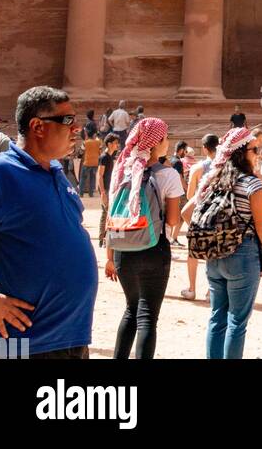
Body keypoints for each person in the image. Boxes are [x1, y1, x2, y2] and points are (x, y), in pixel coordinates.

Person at [0, 86, 97, 358]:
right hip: (21, 344)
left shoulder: (57, 173)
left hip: (71, 338)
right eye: (67, 120)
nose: (76, 129)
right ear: (37, 126)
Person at [194, 127, 262, 359]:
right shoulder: (253, 185)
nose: (257, 154)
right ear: (242, 153)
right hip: (242, 254)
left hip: (214, 254)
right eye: (254, 150)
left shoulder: (212, 182)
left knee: (217, 317)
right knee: (237, 322)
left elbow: (186, 212)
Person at [104, 116, 183, 360]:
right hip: (153, 249)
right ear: (157, 141)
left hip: (122, 251)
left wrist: (109, 258)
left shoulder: (121, 170)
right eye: (166, 138)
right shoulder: (168, 174)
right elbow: (172, 221)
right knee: (148, 316)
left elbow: (112, 216)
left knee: (130, 310)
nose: (168, 142)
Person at [180, 133, 219, 300]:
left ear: (204, 148)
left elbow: (190, 196)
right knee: (214, 254)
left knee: (193, 253)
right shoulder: (225, 166)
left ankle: (192, 288)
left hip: (199, 215)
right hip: (218, 213)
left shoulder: (197, 168)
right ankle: (211, 291)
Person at [96, 133, 120, 248]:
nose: (117, 145)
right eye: (115, 143)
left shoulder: (110, 157)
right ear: (109, 144)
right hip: (105, 188)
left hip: (109, 188)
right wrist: (103, 192)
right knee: (106, 213)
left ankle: (104, 238)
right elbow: (100, 175)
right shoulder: (104, 157)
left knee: (108, 212)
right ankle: (102, 239)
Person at [78, 124, 101, 199]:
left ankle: (81, 193)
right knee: (92, 178)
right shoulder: (98, 142)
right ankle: (91, 193)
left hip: (87, 162)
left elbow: (81, 151)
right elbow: (100, 151)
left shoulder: (85, 142)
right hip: (95, 162)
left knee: (83, 178)